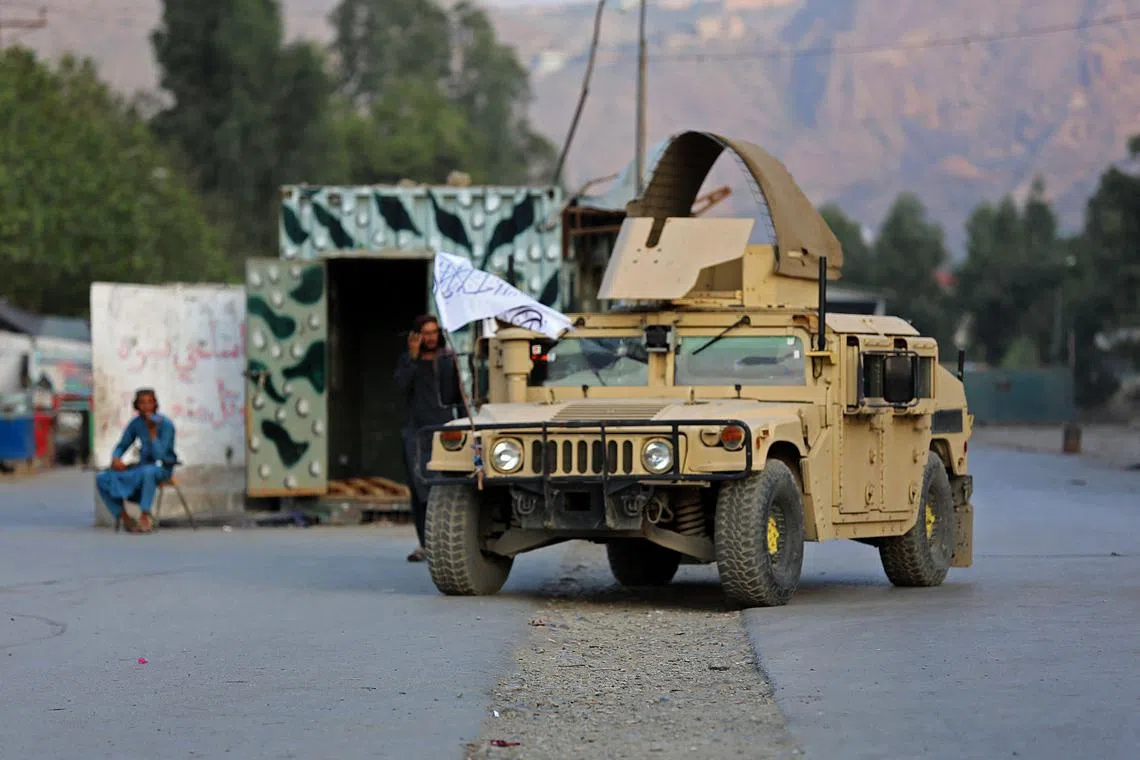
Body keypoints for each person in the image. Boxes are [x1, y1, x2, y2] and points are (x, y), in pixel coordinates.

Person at [394, 315, 465, 562]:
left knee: (444, 487)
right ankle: (424, 544)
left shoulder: (447, 359)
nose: (431, 337)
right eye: (426, 333)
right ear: (416, 336)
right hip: (416, 433)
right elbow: (401, 387)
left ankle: (443, 543)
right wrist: (412, 358)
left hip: (443, 430)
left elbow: (460, 396)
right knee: (419, 488)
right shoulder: (408, 361)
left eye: (434, 332)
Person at [95, 388, 178, 534]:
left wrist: (152, 433)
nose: (146, 407)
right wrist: (116, 458)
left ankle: (145, 516)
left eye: (149, 403)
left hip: (162, 469)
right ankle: (125, 518)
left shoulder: (165, 424)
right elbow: (123, 444)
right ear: (137, 405)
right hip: (141, 467)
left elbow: (160, 455)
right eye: (142, 403)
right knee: (103, 478)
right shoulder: (136, 424)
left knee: (148, 472)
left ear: (155, 404)